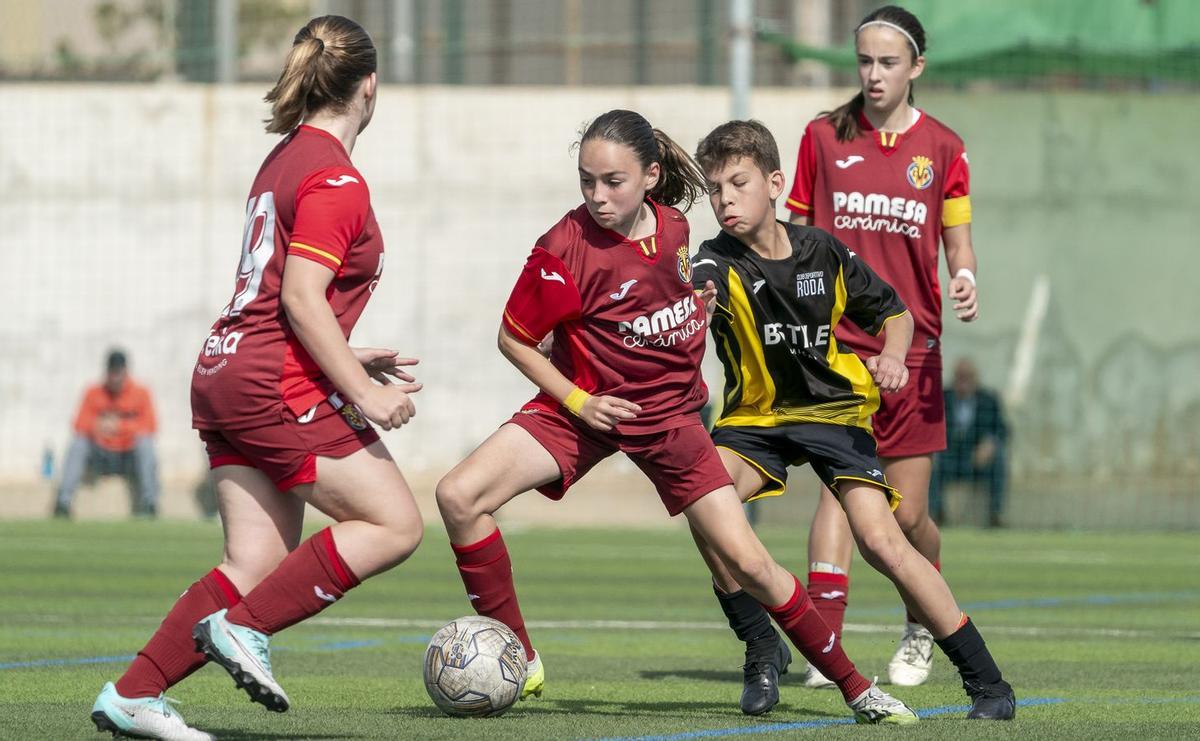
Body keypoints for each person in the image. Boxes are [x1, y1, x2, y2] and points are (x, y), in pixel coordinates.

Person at [435, 109, 918, 725]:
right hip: (587, 409)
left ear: (650, 177)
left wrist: (694, 310)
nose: (597, 196)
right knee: (457, 496)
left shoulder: (676, 230)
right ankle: (520, 659)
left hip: (668, 419)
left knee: (749, 562)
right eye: (587, 181)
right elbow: (514, 339)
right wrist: (580, 400)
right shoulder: (562, 248)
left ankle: (859, 689)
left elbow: (673, 305)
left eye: (613, 181)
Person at [90, 17, 424, 740]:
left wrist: (347, 355)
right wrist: (364, 394)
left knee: (256, 558)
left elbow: (279, 295)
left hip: (226, 368)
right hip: (271, 379)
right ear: (370, 84)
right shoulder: (336, 175)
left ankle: (132, 693)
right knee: (395, 522)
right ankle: (242, 629)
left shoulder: (283, 158)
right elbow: (301, 299)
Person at [691, 119, 1015, 720]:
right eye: (714, 189)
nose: (725, 199)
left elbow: (896, 314)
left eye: (738, 183)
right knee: (706, 503)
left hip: (835, 414)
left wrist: (893, 356)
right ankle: (763, 649)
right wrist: (695, 301)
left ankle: (988, 684)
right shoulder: (715, 261)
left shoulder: (822, 250)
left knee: (883, 542)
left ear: (775, 182)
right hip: (754, 420)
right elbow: (697, 288)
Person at [782, 4, 981, 688]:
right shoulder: (821, 137)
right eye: (864, 61)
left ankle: (921, 621)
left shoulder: (945, 150)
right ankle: (824, 641)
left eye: (888, 62)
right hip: (838, 348)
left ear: (916, 68)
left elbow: (956, 239)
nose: (873, 74)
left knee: (908, 514)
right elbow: (795, 235)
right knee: (839, 492)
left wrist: (964, 276)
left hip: (916, 349)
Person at [54, 349, 160, 519]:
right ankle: (63, 503)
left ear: (126, 372)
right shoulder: (93, 392)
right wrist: (98, 426)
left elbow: (151, 426)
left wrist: (119, 426)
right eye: (112, 372)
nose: (115, 377)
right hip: (101, 454)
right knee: (78, 444)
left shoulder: (141, 392)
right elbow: (79, 424)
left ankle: (150, 503)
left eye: (118, 373)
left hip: (128, 455)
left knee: (146, 444)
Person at [930, 358, 1009, 527]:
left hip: (977, 460)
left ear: (976, 378)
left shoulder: (988, 400)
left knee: (999, 459)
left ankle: (996, 514)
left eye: (968, 377)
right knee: (929, 462)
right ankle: (936, 513)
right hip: (948, 458)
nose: (964, 382)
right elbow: (928, 426)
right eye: (960, 377)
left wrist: (990, 443)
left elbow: (1002, 429)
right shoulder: (942, 398)